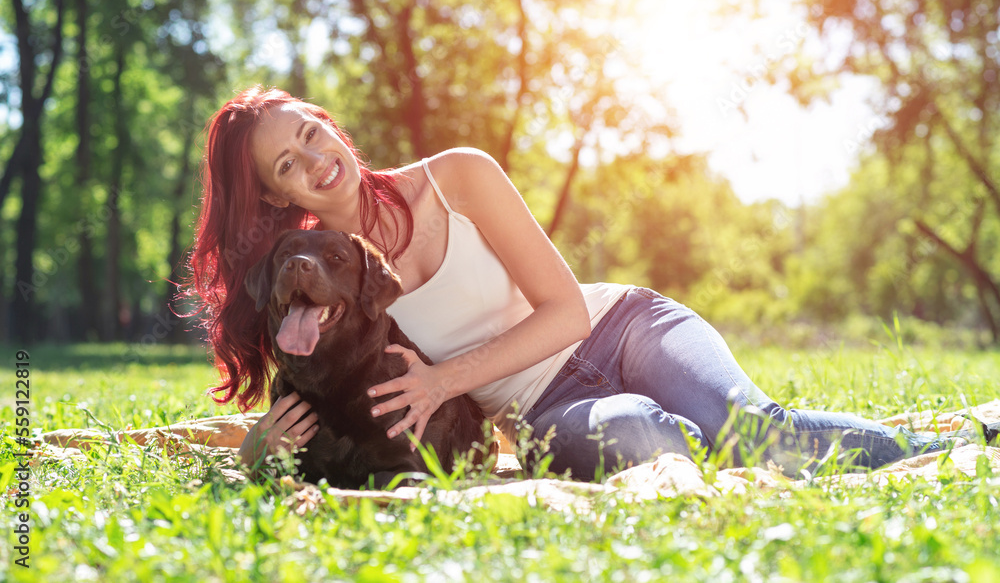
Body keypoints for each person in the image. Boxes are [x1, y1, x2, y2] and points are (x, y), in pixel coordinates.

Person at [185, 85, 989, 481]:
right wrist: (257, 449)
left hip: (623, 325)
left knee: (756, 428)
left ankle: (956, 446)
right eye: (286, 165)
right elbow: (317, 378)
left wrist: (445, 379)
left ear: (327, 119)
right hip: (544, 409)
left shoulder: (459, 174)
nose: (314, 157)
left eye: (309, 131)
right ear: (280, 195)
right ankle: (717, 440)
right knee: (646, 439)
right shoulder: (329, 275)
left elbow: (567, 309)